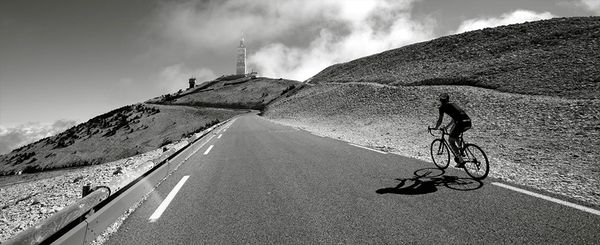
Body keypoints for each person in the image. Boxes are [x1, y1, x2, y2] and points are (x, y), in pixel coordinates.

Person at [431, 93, 472, 168]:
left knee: (450, 140)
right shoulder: (453, 104)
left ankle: (461, 161)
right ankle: (461, 150)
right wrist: (447, 127)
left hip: (460, 123)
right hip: (468, 122)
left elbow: (440, 120)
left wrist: (436, 127)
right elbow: (454, 118)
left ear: (440, 100)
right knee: (453, 133)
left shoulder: (442, 107)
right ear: (448, 99)